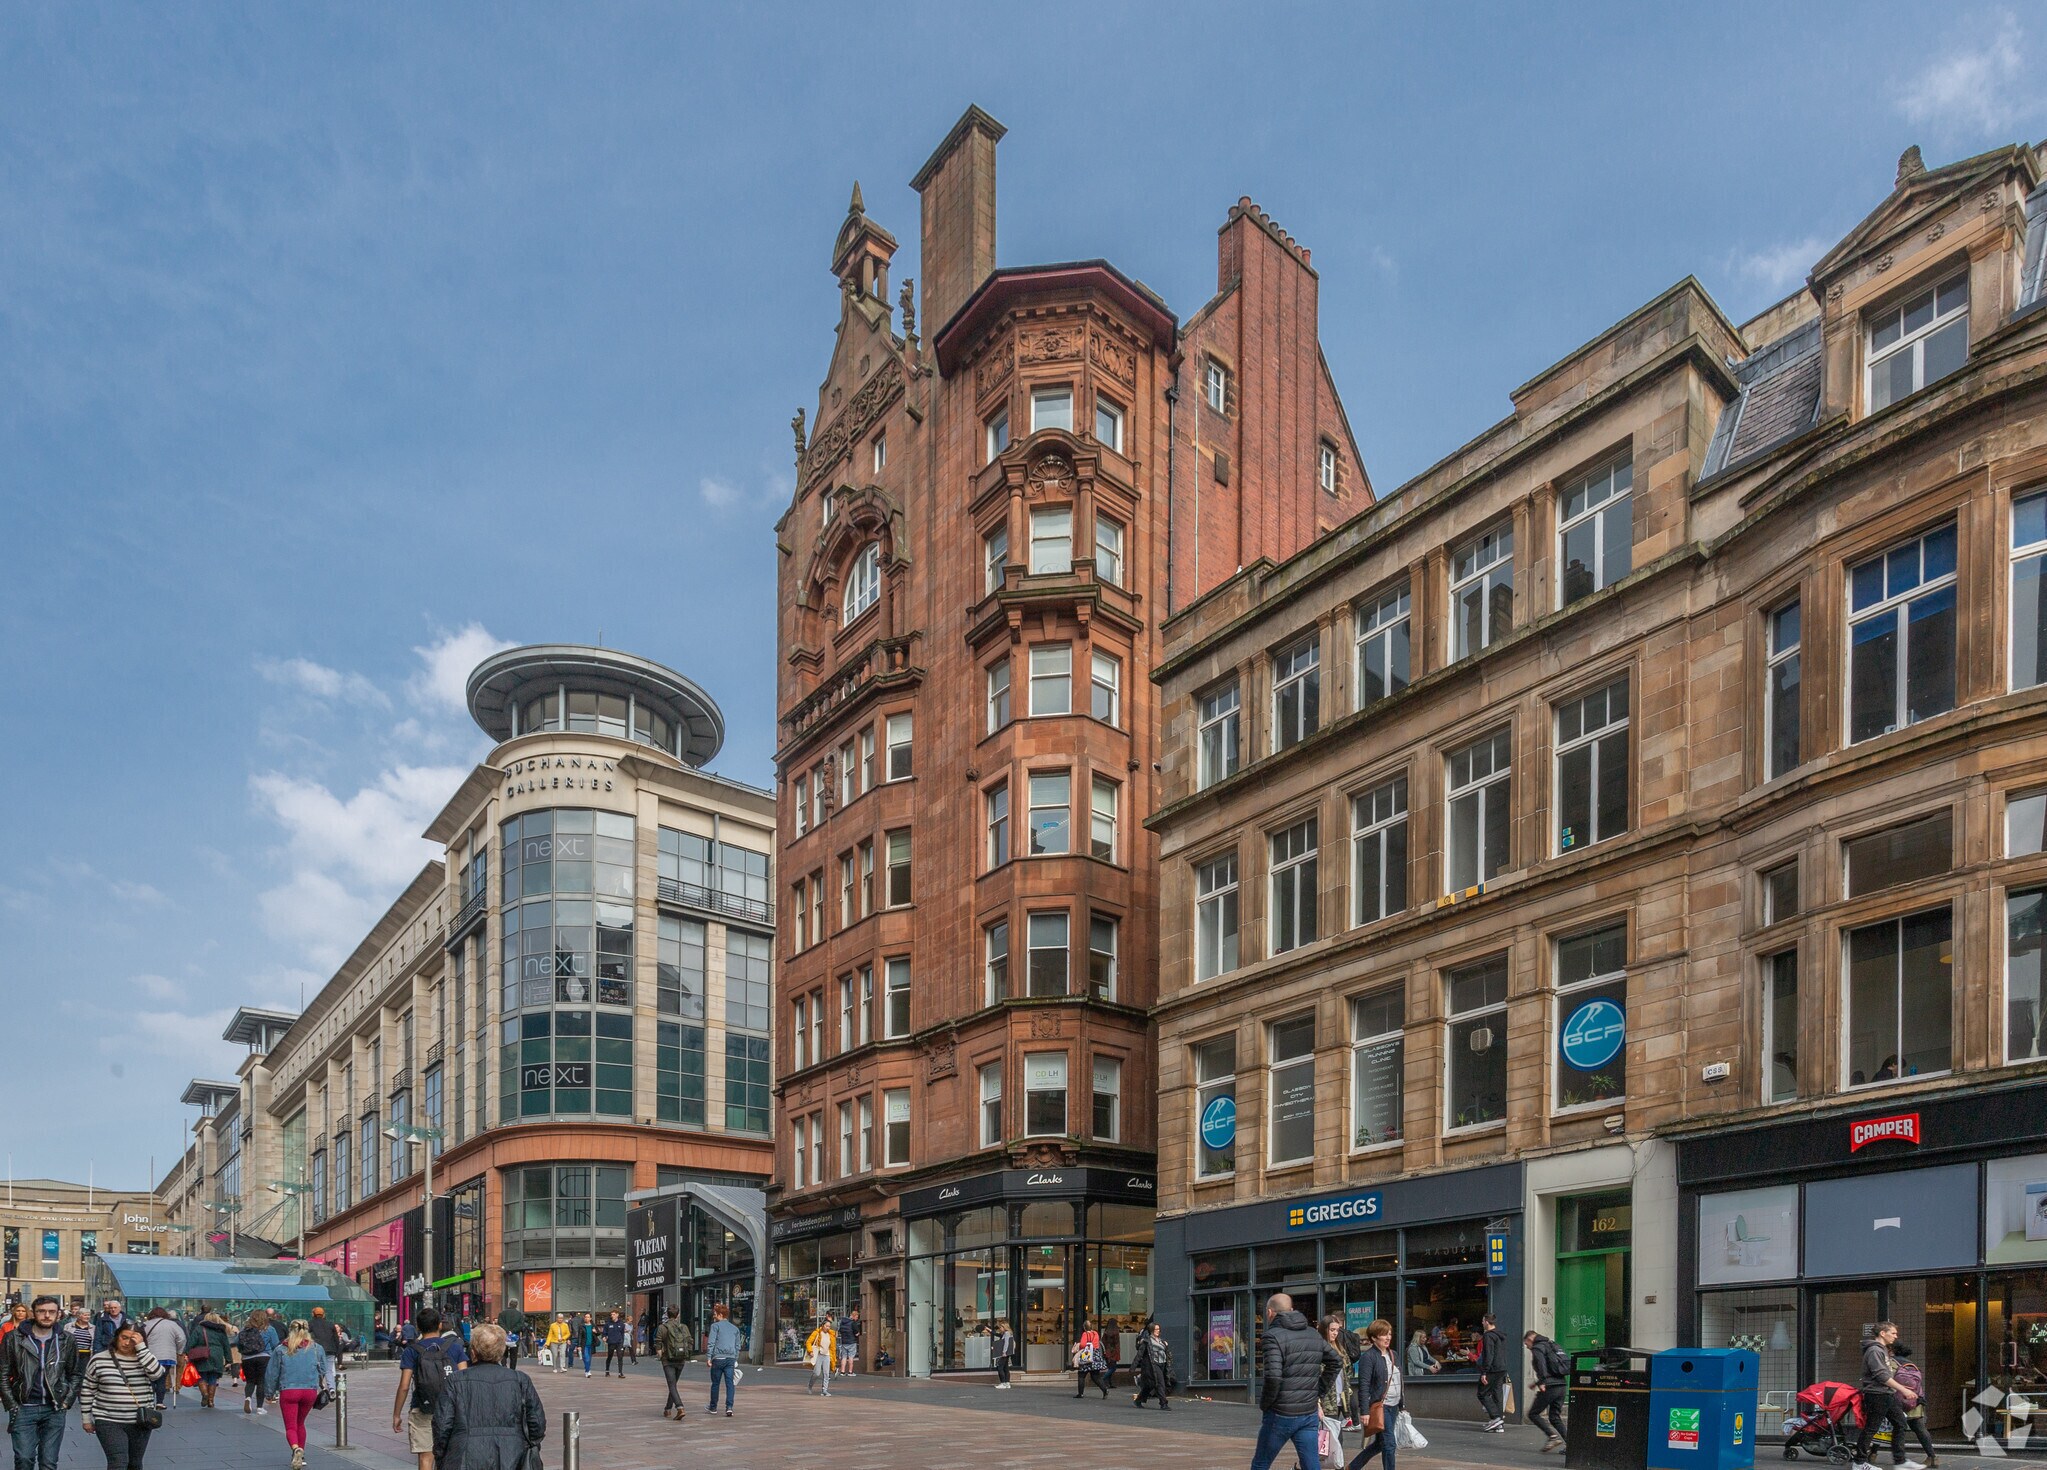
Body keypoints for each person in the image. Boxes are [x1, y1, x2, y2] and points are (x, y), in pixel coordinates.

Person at [1248, 1292, 1344, 1470]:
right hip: (1308, 1412)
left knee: (1261, 1463)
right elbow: (1336, 1361)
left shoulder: (1272, 1336)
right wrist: (1318, 1392)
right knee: (1311, 1465)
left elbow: (1273, 1376)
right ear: (1291, 1310)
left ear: (1270, 1312)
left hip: (1281, 1412)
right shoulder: (1312, 1334)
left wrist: (1266, 1404)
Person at [431, 1323, 544, 1470]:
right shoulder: (520, 1380)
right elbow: (537, 1423)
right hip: (512, 1455)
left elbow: (442, 1424)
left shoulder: (455, 1381)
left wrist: (442, 1455)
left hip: (465, 1455)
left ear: (473, 1351)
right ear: (502, 1350)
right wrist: (528, 1446)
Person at [1, 1295, 85, 1470]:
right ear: (34, 1313)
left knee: (48, 1462)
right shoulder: (13, 1338)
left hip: (54, 1408)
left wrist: (66, 1402)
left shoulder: (67, 1339)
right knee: (24, 1459)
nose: (47, 1315)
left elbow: (75, 1374)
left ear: (58, 1314)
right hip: (23, 1407)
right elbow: (3, 1373)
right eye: (42, 1311)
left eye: (51, 1312)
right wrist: (11, 1404)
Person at [78, 1322, 164, 1470]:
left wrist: (142, 1349)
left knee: (135, 1464)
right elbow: (87, 1389)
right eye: (123, 1337)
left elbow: (157, 1374)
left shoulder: (145, 1358)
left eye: (132, 1340)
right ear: (116, 1337)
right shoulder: (99, 1359)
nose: (126, 1342)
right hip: (108, 1420)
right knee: (118, 1462)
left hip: (140, 1421)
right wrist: (86, 1418)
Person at [394, 1307, 469, 1470]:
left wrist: (396, 1414)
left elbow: (404, 1386)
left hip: (422, 1407)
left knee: (426, 1458)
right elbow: (465, 1379)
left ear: (418, 1327)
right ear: (440, 1325)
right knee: (451, 1457)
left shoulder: (411, 1351)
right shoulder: (455, 1348)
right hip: (452, 1408)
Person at [1854, 1321, 1925, 1470]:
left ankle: (1900, 1461)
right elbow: (1881, 1376)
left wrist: (1899, 1388)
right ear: (1882, 1333)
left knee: (1900, 1423)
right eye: (1893, 1333)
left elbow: (1884, 1375)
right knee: (1871, 1427)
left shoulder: (1882, 1350)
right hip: (1877, 1394)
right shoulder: (1875, 1350)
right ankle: (1859, 1462)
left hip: (1886, 1393)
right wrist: (1904, 1390)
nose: (1895, 1336)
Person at [263, 1321, 328, 1470]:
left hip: (289, 1391)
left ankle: (295, 1448)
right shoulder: (317, 1348)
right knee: (301, 1423)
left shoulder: (281, 1349)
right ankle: (302, 1455)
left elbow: (272, 1373)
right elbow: (323, 1369)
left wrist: (269, 1393)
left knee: (290, 1426)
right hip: (309, 1391)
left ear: (290, 1331)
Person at [1347, 1318, 1403, 1470]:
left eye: (1389, 1334)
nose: (1388, 1338)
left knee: (1380, 1443)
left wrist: (1402, 1405)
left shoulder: (1394, 1355)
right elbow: (1363, 1385)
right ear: (1373, 1337)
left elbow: (1398, 1379)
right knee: (1389, 1444)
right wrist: (1364, 1411)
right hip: (1380, 1406)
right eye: (1384, 1334)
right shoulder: (1369, 1357)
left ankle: (1352, 1467)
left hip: (1394, 1406)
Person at [1524, 1329, 1570, 1451]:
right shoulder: (1551, 1344)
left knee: (1533, 1414)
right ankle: (1571, 1444)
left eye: (1526, 1344)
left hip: (1550, 1387)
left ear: (1530, 1339)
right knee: (1554, 1416)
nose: (1527, 1347)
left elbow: (1541, 1364)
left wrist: (1542, 1382)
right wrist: (1537, 1383)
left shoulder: (1537, 1347)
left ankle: (1552, 1436)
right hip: (1562, 1385)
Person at [1893, 1345, 1938, 1469]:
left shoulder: (1892, 1363)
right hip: (1914, 1400)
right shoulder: (1911, 1365)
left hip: (1897, 1401)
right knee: (1919, 1428)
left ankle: (1873, 1453)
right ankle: (1932, 1456)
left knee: (1886, 1426)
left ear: (1892, 1351)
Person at [185, 1306, 231, 1410]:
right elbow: (226, 1346)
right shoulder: (221, 1331)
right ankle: (211, 1401)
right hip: (217, 1355)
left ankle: (204, 1394)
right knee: (213, 1378)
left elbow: (191, 1343)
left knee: (202, 1376)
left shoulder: (199, 1329)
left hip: (202, 1355)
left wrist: (187, 1353)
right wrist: (229, 1359)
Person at [138, 1311, 184, 1410]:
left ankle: (150, 1400)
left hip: (149, 1356)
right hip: (167, 1356)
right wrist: (179, 1351)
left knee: (150, 1378)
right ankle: (159, 1402)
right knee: (162, 1379)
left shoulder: (146, 1324)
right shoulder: (172, 1324)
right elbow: (182, 1338)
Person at [1318, 1315, 1354, 1438]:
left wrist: (1347, 1387)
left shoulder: (1340, 1349)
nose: (1335, 1333)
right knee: (1329, 1438)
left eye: (1337, 1330)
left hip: (1341, 1397)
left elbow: (1348, 1369)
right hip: (1326, 1399)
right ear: (1324, 1330)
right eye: (1332, 1330)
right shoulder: (1319, 1348)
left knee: (1336, 1437)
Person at [654, 1306, 692, 1420]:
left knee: (671, 1385)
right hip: (681, 1359)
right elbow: (690, 1341)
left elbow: (658, 1343)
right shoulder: (684, 1327)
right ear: (678, 1315)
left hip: (668, 1360)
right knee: (673, 1385)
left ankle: (680, 1407)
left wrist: (661, 1356)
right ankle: (667, 1409)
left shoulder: (662, 1327)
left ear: (667, 1314)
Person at [237, 1310, 278, 1415]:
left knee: (250, 1381)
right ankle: (259, 1408)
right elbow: (275, 1345)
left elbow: (237, 1342)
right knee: (261, 1382)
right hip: (264, 1357)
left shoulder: (245, 1330)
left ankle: (248, 1398)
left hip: (247, 1358)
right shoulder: (269, 1329)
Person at [705, 1302, 741, 1418]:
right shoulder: (735, 1329)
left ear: (720, 1314)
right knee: (730, 1384)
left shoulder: (715, 1326)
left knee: (715, 1383)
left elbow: (711, 1343)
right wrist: (735, 1358)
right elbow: (737, 1346)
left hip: (718, 1358)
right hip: (730, 1359)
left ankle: (713, 1407)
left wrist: (709, 1358)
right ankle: (729, 1407)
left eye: (715, 1314)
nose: (714, 1316)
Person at [1476, 1313, 1509, 1433]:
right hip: (1502, 1368)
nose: (1482, 1323)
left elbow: (1489, 1354)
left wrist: (1484, 1371)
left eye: (1483, 1321)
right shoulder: (1501, 1336)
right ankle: (1499, 1425)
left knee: (1482, 1393)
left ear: (1487, 1322)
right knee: (1497, 1394)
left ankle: (1496, 1418)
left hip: (1492, 1369)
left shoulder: (1488, 1336)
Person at [1133, 1320, 1173, 1410]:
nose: (1158, 1331)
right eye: (1156, 1329)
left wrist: (1166, 1346)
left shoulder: (1161, 1341)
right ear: (1151, 1330)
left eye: (1159, 1329)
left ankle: (1138, 1400)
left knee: (1150, 1385)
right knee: (1160, 1383)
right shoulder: (1147, 1341)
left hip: (1162, 1364)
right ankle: (1163, 1404)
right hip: (1152, 1365)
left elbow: (1166, 1352)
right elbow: (1139, 1353)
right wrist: (1134, 1366)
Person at [307, 1308, 343, 1394]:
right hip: (330, 1350)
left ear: (313, 1314)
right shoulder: (330, 1324)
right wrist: (337, 1351)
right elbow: (336, 1339)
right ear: (324, 1315)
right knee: (329, 1370)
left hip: (316, 1349)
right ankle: (332, 1388)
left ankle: (315, 1388)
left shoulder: (310, 1324)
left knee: (315, 1369)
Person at [1073, 1319, 1111, 1399]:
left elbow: (1083, 1345)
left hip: (1086, 1356)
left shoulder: (1084, 1334)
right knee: (1095, 1376)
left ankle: (1080, 1393)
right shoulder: (1096, 1334)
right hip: (1095, 1356)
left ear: (1084, 1327)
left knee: (1081, 1375)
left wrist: (1079, 1345)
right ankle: (1105, 1389)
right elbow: (1096, 1344)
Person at [804, 1317, 837, 1397]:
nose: (828, 1328)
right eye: (826, 1326)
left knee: (826, 1374)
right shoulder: (817, 1333)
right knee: (817, 1373)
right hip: (818, 1354)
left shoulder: (831, 1334)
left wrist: (833, 1358)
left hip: (827, 1355)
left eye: (829, 1326)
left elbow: (832, 1347)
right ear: (822, 1325)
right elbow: (808, 1342)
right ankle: (810, 1385)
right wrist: (810, 1351)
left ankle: (824, 1390)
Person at [495, 1307, 526, 1375]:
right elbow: (521, 1325)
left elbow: (500, 1323)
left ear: (509, 1304)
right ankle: (512, 1369)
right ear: (516, 1305)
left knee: (503, 1353)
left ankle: (504, 1366)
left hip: (504, 1335)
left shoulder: (502, 1313)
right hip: (515, 1337)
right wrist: (513, 1331)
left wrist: (507, 1330)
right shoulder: (519, 1314)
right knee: (514, 1355)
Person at [601, 1313, 628, 1379]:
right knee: (609, 1356)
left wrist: (622, 1341)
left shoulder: (621, 1324)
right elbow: (604, 1332)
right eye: (611, 1314)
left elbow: (622, 1333)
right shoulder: (608, 1324)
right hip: (611, 1342)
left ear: (617, 1315)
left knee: (620, 1357)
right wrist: (604, 1337)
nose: (612, 1316)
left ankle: (620, 1373)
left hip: (619, 1343)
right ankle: (607, 1371)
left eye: (613, 1314)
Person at [993, 1320, 1017, 1390]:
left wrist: (1004, 1352)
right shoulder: (1009, 1333)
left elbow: (1006, 1343)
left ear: (1004, 1327)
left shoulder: (1006, 1333)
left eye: (1001, 1327)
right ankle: (1007, 1383)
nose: (1000, 1328)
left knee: (1000, 1367)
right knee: (1006, 1368)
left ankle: (1003, 1383)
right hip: (1007, 1353)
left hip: (1005, 1353)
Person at [838, 1308, 861, 1377]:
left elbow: (840, 1331)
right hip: (851, 1342)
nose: (857, 1319)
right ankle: (850, 1372)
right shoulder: (853, 1323)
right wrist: (857, 1334)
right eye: (856, 1317)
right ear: (854, 1316)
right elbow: (857, 1333)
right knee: (851, 1357)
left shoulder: (843, 1322)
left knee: (844, 1357)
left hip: (844, 1341)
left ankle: (842, 1371)